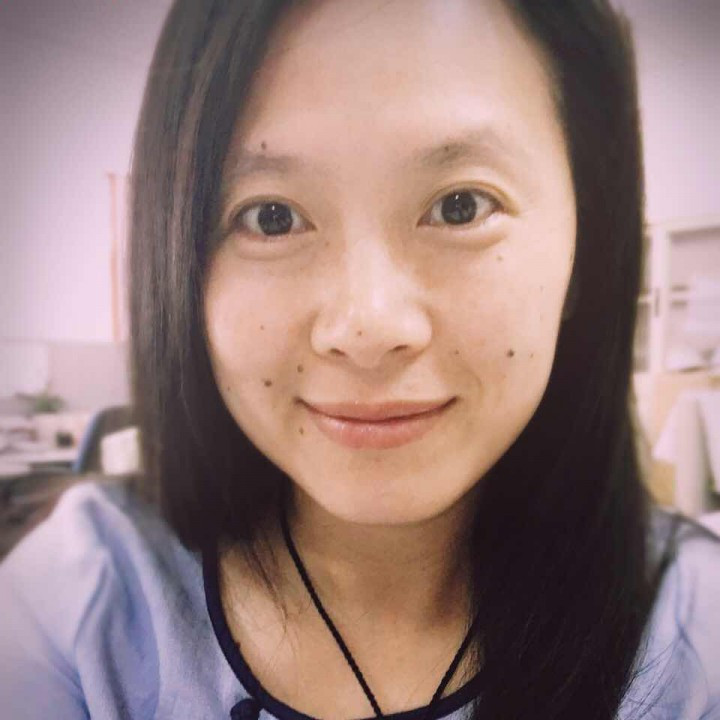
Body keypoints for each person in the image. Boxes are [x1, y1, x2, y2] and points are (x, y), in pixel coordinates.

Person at [1, 0, 719, 718]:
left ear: (585, 251)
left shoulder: (691, 635)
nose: (367, 328)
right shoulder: (81, 603)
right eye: (271, 217)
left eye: (462, 205)